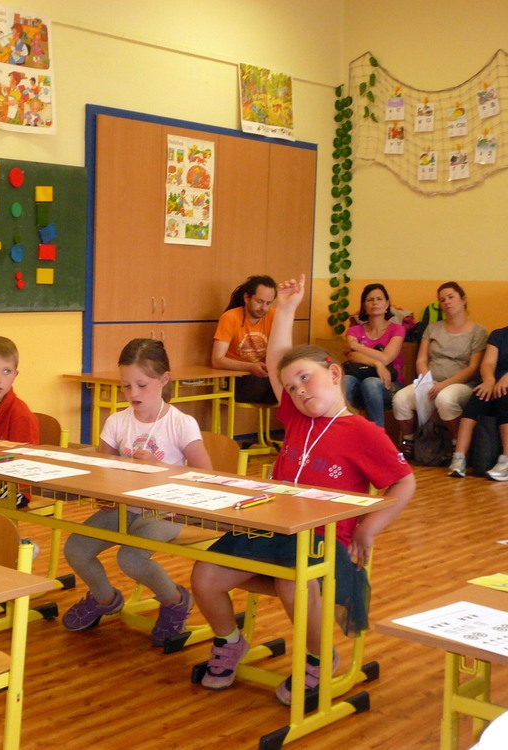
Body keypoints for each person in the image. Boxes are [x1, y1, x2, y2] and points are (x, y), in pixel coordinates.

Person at [191, 274, 415, 703]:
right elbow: (279, 359)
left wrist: (368, 529)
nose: (298, 391)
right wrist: (288, 308)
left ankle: (318, 658)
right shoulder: (296, 415)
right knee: (205, 575)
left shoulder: (363, 432)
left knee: (294, 583)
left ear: (334, 373)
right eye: (291, 388)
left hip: (324, 541)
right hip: (272, 528)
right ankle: (230, 641)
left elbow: (404, 483)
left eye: (306, 379)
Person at [62, 338, 211, 647]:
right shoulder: (117, 421)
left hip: (165, 511)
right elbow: (100, 469)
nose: (133, 394)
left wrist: (160, 468)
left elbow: (206, 476)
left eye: (142, 385)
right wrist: (102, 491)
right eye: (126, 386)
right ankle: (105, 599)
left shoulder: (181, 423)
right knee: (76, 548)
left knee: (130, 559)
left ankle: (174, 601)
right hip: (122, 509)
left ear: (164, 379)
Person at [392, 282, 488, 458]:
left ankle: (458, 446)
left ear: (463, 299)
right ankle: (409, 442)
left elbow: (473, 367)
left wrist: (443, 385)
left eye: (451, 297)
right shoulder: (433, 328)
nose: (447, 302)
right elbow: (422, 359)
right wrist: (426, 380)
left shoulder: (478, 331)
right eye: (442, 300)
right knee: (400, 399)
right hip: (431, 381)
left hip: (462, 384)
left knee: (445, 399)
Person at [342, 284, 406, 428]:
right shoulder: (354, 330)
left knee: (370, 383)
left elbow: (386, 358)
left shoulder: (397, 329)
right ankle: (343, 431)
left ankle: (377, 434)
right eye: (370, 300)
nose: (375, 303)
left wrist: (357, 346)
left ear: (387, 304)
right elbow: (352, 356)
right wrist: (377, 364)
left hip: (390, 385)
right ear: (364, 306)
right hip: (359, 381)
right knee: (345, 381)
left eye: (379, 299)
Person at [448, 325, 508, 480]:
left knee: (504, 400)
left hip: (505, 385)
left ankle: (506, 460)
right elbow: (488, 363)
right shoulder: (499, 334)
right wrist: (489, 380)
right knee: (478, 397)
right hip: (496, 382)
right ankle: (459, 457)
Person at [212, 275, 278, 404]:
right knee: (262, 384)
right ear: (247, 298)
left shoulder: (274, 316)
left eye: (268, 303)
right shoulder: (230, 317)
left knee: (292, 384)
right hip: (238, 378)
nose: (264, 308)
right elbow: (217, 360)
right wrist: (250, 367)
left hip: (265, 377)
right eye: (259, 301)